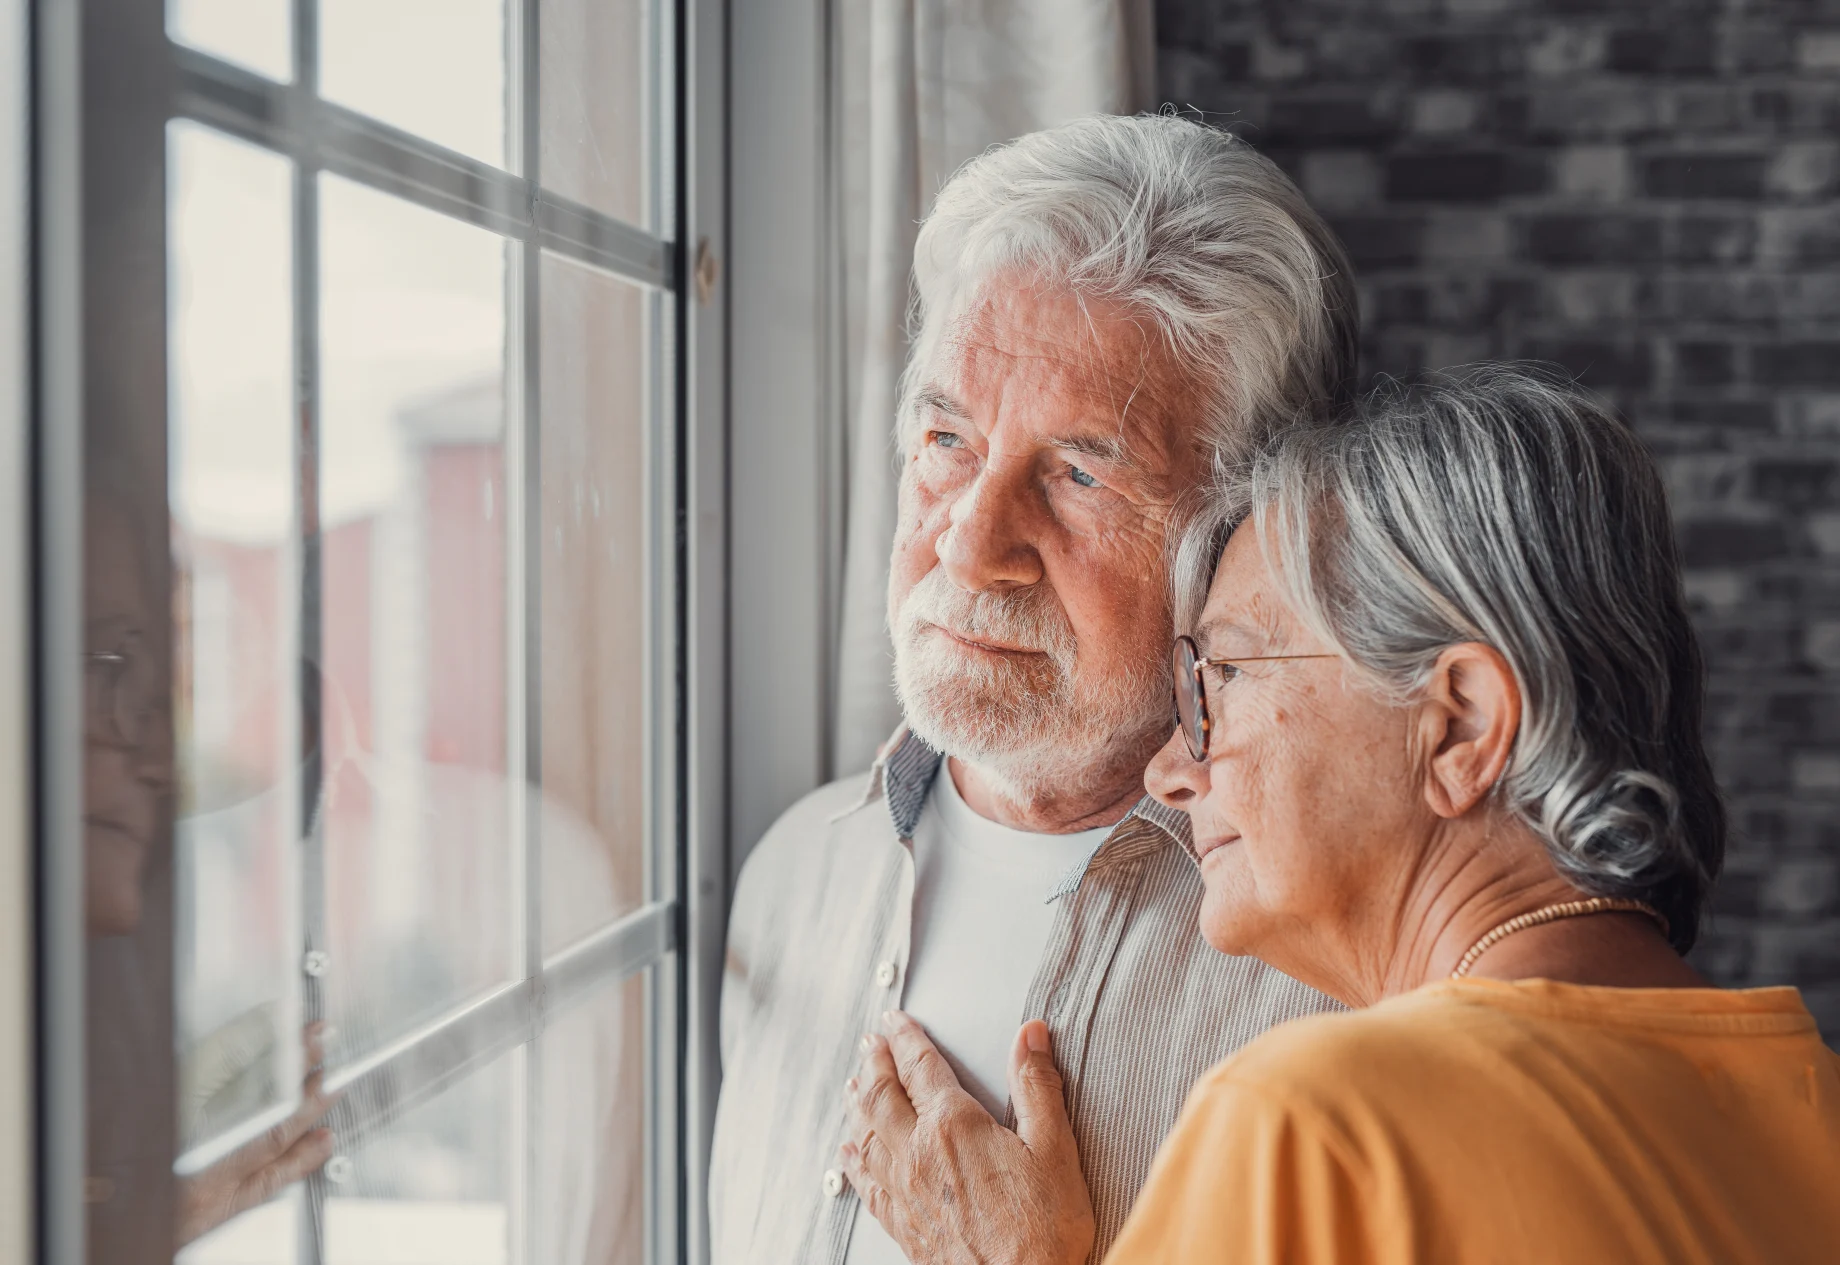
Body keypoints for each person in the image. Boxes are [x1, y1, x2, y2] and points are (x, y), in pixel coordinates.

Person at [839, 366, 1840, 1264]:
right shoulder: (1814, 1103)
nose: (1170, 768)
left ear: (1460, 725)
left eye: (1218, 678)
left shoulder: (1315, 1127)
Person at [711, 112, 1361, 1263]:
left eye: (1076, 474)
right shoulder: (791, 875)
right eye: (946, 439)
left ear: (1240, 539)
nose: (969, 548)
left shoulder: (1347, 991)